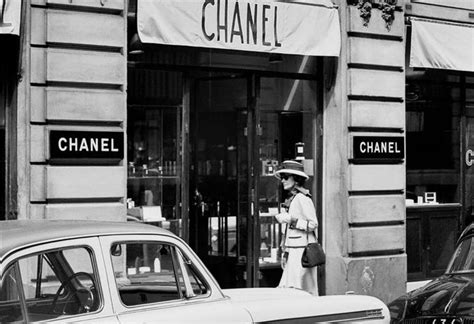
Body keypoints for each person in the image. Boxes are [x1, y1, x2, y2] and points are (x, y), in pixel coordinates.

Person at [274, 160, 319, 295]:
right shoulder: (293, 199)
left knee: (299, 290)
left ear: (296, 179)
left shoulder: (302, 198)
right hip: (294, 251)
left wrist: (291, 220)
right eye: (282, 178)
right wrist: (285, 252)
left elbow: (313, 224)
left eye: (286, 177)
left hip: (302, 252)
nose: (283, 181)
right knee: (292, 289)